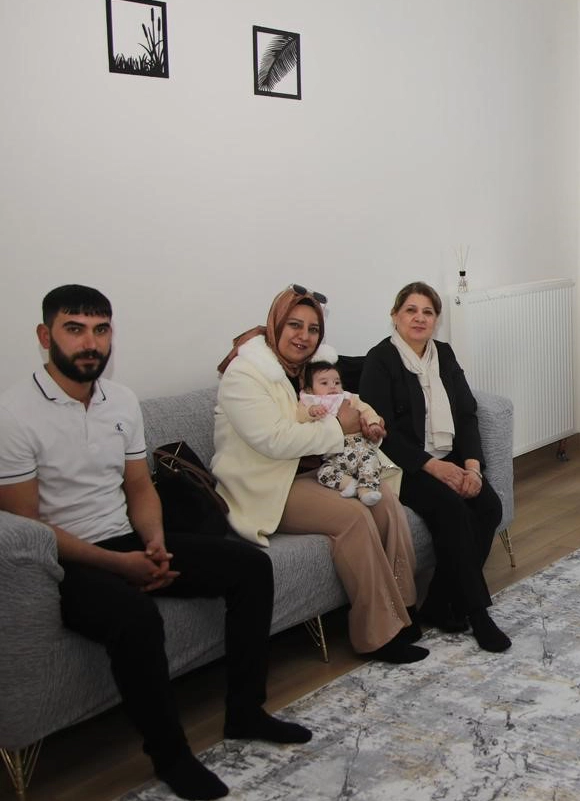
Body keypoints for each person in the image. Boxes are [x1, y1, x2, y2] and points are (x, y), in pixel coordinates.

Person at [0, 285, 311, 801]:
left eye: (101, 330)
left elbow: (140, 487)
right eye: (74, 329)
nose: (90, 343)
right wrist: (120, 565)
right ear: (45, 336)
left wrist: (156, 545)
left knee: (251, 567)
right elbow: (27, 526)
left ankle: (245, 712)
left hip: (128, 538)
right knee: (137, 618)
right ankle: (171, 756)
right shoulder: (14, 414)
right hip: (64, 562)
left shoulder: (120, 401)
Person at [212, 285, 426, 665]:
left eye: (313, 329)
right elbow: (274, 441)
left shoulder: (304, 372)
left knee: (386, 503)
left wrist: (365, 421)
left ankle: (403, 611)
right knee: (354, 517)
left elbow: (345, 405)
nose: (304, 336)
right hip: (267, 485)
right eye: (294, 325)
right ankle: (377, 634)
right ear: (275, 325)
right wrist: (339, 428)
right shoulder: (244, 375)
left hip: (313, 471)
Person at [360, 281, 511, 653]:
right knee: (452, 508)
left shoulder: (443, 353)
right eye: (411, 310)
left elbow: (467, 412)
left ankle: (440, 601)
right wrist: (432, 467)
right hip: (403, 466)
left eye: (427, 312)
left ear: (436, 320)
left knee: (489, 506)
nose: (419, 318)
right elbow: (382, 433)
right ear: (395, 316)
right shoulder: (380, 360)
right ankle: (477, 612)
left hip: (448, 456)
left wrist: (472, 467)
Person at [298, 356, 386, 507]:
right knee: (324, 474)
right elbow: (299, 416)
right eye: (324, 383)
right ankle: (349, 485)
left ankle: (366, 491)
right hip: (333, 456)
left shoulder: (348, 398)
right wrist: (310, 412)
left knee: (371, 463)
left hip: (360, 448)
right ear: (309, 389)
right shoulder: (309, 401)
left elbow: (367, 410)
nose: (332, 387)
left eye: (337, 382)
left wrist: (373, 424)